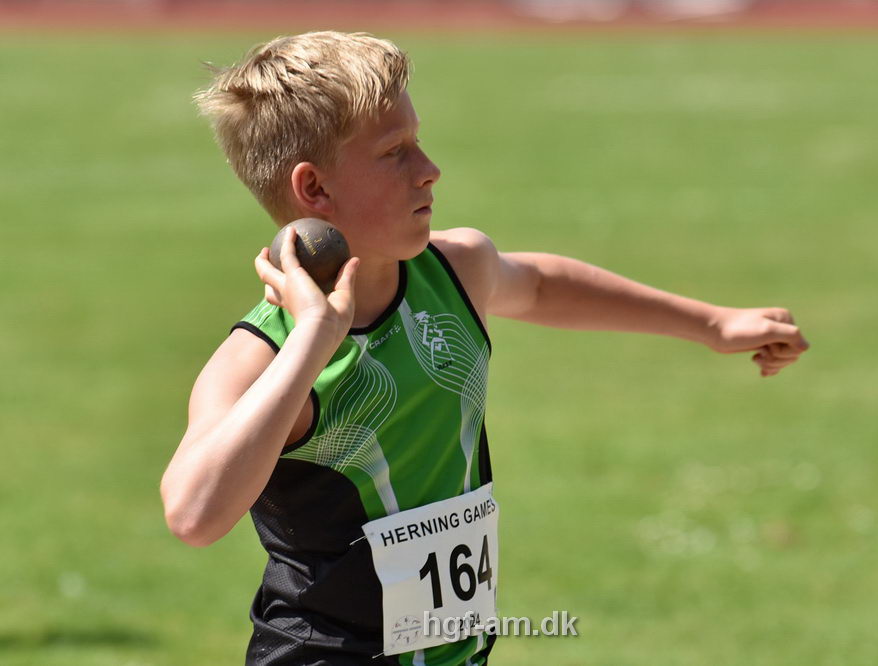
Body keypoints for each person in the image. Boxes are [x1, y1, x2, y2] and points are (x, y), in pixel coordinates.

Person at [159, 31, 809, 666]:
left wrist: (712, 324)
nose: (429, 169)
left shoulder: (454, 272)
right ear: (315, 190)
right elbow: (193, 515)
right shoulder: (261, 358)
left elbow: (543, 285)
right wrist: (312, 342)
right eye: (395, 152)